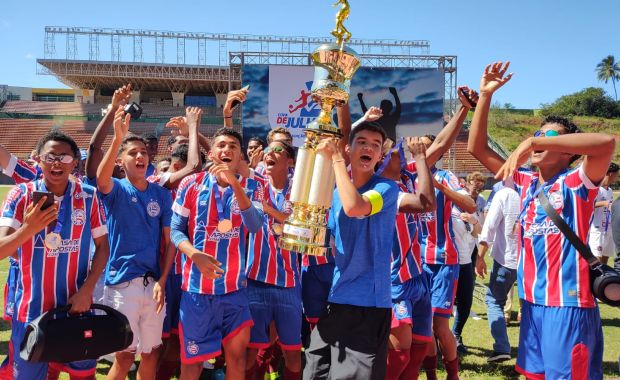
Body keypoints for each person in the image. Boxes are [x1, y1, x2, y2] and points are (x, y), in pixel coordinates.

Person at [467, 61, 615, 379]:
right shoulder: (525, 183)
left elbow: (606, 144)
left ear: (566, 152)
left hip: (568, 305)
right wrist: (485, 96)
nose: (538, 139)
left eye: (550, 138)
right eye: (537, 133)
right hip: (531, 302)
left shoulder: (578, 182)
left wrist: (535, 142)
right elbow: (476, 147)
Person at [0, 131, 110, 380]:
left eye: (64, 156)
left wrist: (87, 290)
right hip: (30, 312)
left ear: (75, 162)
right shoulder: (20, 195)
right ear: (38, 159)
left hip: (76, 308)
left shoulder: (89, 197)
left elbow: (103, 246)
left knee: (83, 375)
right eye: (50, 156)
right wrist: (30, 229)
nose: (56, 162)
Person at [303, 122, 399, 380]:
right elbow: (331, 243)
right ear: (349, 148)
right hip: (336, 300)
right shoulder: (335, 194)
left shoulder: (387, 189)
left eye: (375, 145)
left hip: (369, 304)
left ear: (380, 156)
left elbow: (355, 208)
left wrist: (335, 158)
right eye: (362, 142)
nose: (368, 148)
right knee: (314, 373)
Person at [170, 127, 264, 380]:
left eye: (233, 146)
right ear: (211, 153)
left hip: (234, 291)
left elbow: (254, 225)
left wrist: (235, 183)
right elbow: (176, 232)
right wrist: (194, 255)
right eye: (221, 145)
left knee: (237, 359)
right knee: (192, 365)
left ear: (240, 154)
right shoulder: (191, 183)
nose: (227, 149)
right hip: (197, 292)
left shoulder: (252, 185)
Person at [97, 106, 175, 380]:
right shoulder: (117, 189)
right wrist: (117, 138)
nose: (140, 155)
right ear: (121, 161)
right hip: (121, 285)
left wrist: (163, 283)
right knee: (124, 354)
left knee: (152, 353)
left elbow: (170, 242)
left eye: (143, 152)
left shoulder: (161, 195)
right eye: (133, 153)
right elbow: (101, 179)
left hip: (153, 285)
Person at [379, 137, 437, 380]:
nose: (403, 152)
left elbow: (441, 144)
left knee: (419, 350)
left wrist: (464, 109)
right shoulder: (381, 189)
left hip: (417, 276)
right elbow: (426, 204)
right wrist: (421, 159)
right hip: (396, 281)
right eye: (397, 149)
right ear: (382, 159)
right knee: (400, 353)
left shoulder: (408, 178)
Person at [244, 140, 302, 380]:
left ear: (290, 162)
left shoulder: (300, 191)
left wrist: (271, 211)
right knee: (251, 351)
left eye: (278, 150)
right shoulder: (253, 186)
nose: (270, 153)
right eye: (267, 149)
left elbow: (304, 231)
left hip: (288, 283)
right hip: (255, 280)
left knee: (292, 353)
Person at [475, 185, 520, 362]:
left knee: (494, 301)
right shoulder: (538, 188)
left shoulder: (504, 193)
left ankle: (501, 346)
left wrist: (480, 257)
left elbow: (489, 228)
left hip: (507, 259)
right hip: (533, 261)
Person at [451, 171, 485, 354]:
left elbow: (477, 232)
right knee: (444, 303)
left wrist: (474, 221)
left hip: (466, 260)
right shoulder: (451, 207)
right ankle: (437, 338)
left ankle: (456, 334)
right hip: (448, 261)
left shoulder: (473, 208)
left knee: (465, 301)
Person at [588, 162, 618, 265]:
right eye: (617, 174)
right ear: (610, 174)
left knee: (605, 262)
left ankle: (605, 280)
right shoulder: (596, 189)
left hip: (608, 229)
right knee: (597, 263)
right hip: (597, 230)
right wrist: (604, 203)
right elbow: (588, 205)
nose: (617, 177)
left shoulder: (609, 190)